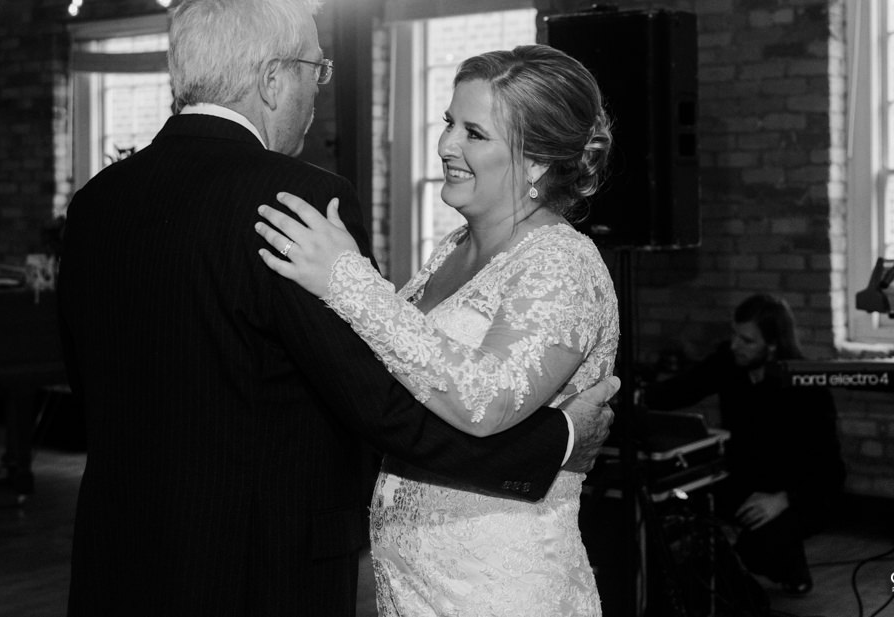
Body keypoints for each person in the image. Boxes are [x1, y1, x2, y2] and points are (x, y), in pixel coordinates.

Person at [56, 0, 620, 617]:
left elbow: (91, 384)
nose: (315, 92)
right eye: (313, 71)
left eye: (473, 131)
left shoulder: (95, 204)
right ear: (272, 80)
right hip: (258, 571)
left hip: (118, 560)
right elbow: (378, 404)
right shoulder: (297, 204)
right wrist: (555, 445)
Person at [255, 45, 621, 616]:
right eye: (451, 122)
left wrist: (349, 281)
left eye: (475, 133)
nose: (447, 145)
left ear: (538, 164)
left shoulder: (561, 263)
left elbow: (486, 400)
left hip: (498, 586)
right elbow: (393, 382)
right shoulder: (453, 248)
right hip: (410, 579)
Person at [641, 293, 845, 596]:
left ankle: (786, 565)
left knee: (760, 545)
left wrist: (782, 499)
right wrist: (633, 396)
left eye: (747, 341)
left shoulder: (806, 386)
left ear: (773, 345)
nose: (736, 345)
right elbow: (683, 389)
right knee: (679, 508)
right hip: (743, 476)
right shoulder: (730, 360)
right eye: (735, 335)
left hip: (793, 490)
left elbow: (828, 468)